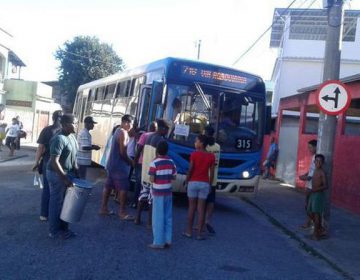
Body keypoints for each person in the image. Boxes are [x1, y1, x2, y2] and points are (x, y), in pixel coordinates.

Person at [47, 114, 79, 239]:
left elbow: (73, 157)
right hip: (57, 174)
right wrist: (65, 179)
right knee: (57, 203)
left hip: (68, 173)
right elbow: (54, 161)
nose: (76, 125)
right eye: (74, 123)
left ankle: (64, 229)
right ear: (66, 124)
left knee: (67, 203)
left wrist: (77, 173)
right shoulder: (59, 138)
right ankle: (54, 231)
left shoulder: (72, 136)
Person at [99, 114, 135, 220]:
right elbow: (123, 152)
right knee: (124, 187)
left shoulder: (117, 130)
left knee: (108, 186)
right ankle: (122, 212)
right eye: (131, 123)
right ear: (126, 122)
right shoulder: (123, 132)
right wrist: (130, 161)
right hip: (119, 166)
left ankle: (103, 208)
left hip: (112, 164)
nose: (131, 126)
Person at [33, 110, 63, 221]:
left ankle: (44, 214)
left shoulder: (46, 130)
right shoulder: (64, 131)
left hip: (47, 162)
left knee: (47, 188)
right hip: (61, 164)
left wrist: (36, 162)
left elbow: (40, 148)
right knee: (58, 190)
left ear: (52, 118)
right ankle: (56, 214)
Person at [183, 134, 215, 240]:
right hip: (204, 184)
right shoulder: (211, 156)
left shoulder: (194, 154)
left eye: (196, 141)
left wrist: (187, 180)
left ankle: (188, 231)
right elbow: (212, 173)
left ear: (201, 143)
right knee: (201, 209)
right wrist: (210, 185)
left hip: (193, 183)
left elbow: (190, 169)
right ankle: (199, 234)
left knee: (191, 207)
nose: (195, 143)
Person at [148, 141, 177, 249]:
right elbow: (174, 177)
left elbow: (151, 178)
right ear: (167, 151)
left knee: (158, 217)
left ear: (157, 150)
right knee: (168, 216)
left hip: (158, 192)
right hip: (168, 191)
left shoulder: (154, 163)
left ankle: (158, 242)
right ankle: (168, 240)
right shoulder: (171, 162)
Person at [132, 121, 157, 207]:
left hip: (141, 162)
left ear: (149, 128)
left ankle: (135, 202)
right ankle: (146, 203)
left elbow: (139, 149)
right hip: (152, 164)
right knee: (149, 183)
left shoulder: (145, 135)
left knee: (139, 182)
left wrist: (134, 161)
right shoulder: (158, 137)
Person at [204, 126, 220, 234]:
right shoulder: (217, 147)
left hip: (203, 177)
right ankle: (208, 220)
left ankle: (199, 224)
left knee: (201, 202)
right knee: (211, 201)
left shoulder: (205, 147)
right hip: (213, 179)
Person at [308, 154, 327, 240]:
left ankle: (316, 233)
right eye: (316, 161)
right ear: (314, 162)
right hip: (313, 193)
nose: (318, 163)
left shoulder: (322, 172)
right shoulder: (315, 170)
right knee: (309, 211)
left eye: (320, 161)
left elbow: (326, 186)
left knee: (316, 214)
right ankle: (320, 228)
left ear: (323, 163)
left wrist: (316, 189)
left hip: (318, 194)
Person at [299, 139, 317, 229]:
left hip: (312, 185)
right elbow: (311, 171)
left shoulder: (317, 158)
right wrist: (305, 175)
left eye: (310, 147)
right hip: (309, 184)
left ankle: (310, 222)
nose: (309, 149)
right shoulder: (314, 157)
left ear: (315, 147)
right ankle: (310, 221)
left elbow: (314, 174)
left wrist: (304, 178)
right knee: (307, 205)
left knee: (309, 206)